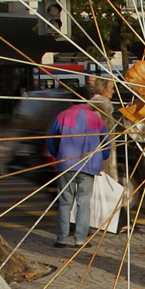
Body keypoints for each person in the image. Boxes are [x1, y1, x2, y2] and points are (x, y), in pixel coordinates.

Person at [46, 91, 109, 248]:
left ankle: (61, 238)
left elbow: (51, 140)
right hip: (88, 165)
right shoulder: (96, 118)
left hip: (66, 165)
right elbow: (106, 143)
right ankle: (80, 239)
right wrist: (102, 158)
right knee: (83, 202)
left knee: (65, 202)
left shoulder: (62, 116)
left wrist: (57, 156)